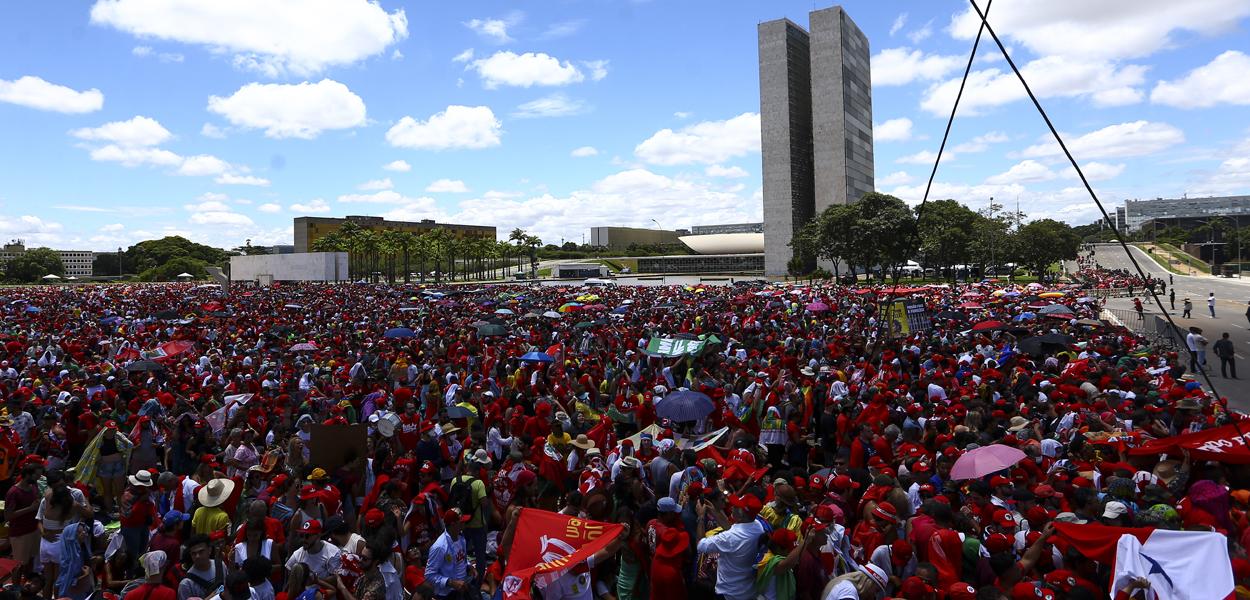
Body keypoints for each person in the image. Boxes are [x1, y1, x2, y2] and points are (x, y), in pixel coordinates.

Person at [696, 493, 766, 600]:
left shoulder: (731, 537)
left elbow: (700, 545)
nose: (732, 508)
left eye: (736, 506)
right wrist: (715, 513)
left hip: (729, 593)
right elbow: (732, 529)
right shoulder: (757, 526)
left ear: (742, 514)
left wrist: (700, 517)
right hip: (748, 590)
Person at [426, 508, 473, 600]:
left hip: (462, 588)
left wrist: (468, 566)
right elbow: (429, 575)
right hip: (447, 595)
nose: (464, 524)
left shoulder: (461, 537)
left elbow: (460, 559)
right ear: (453, 524)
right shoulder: (440, 547)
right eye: (461, 522)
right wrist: (451, 583)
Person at [6, 461, 42, 577]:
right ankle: (16, 587)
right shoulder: (13, 492)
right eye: (36, 475)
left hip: (34, 529)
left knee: (31, 559)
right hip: (20, 533)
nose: (38, 478)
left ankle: (27, 581)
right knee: (19, 564)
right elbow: (8, 516)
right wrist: (30, 508)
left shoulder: (34, 486)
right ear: (27, 475)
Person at [179, 534, 226, 600]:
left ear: (209, 550)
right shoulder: (187, 583)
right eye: (194, 553)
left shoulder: (220, 565)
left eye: (201, 552)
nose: (197, 556)